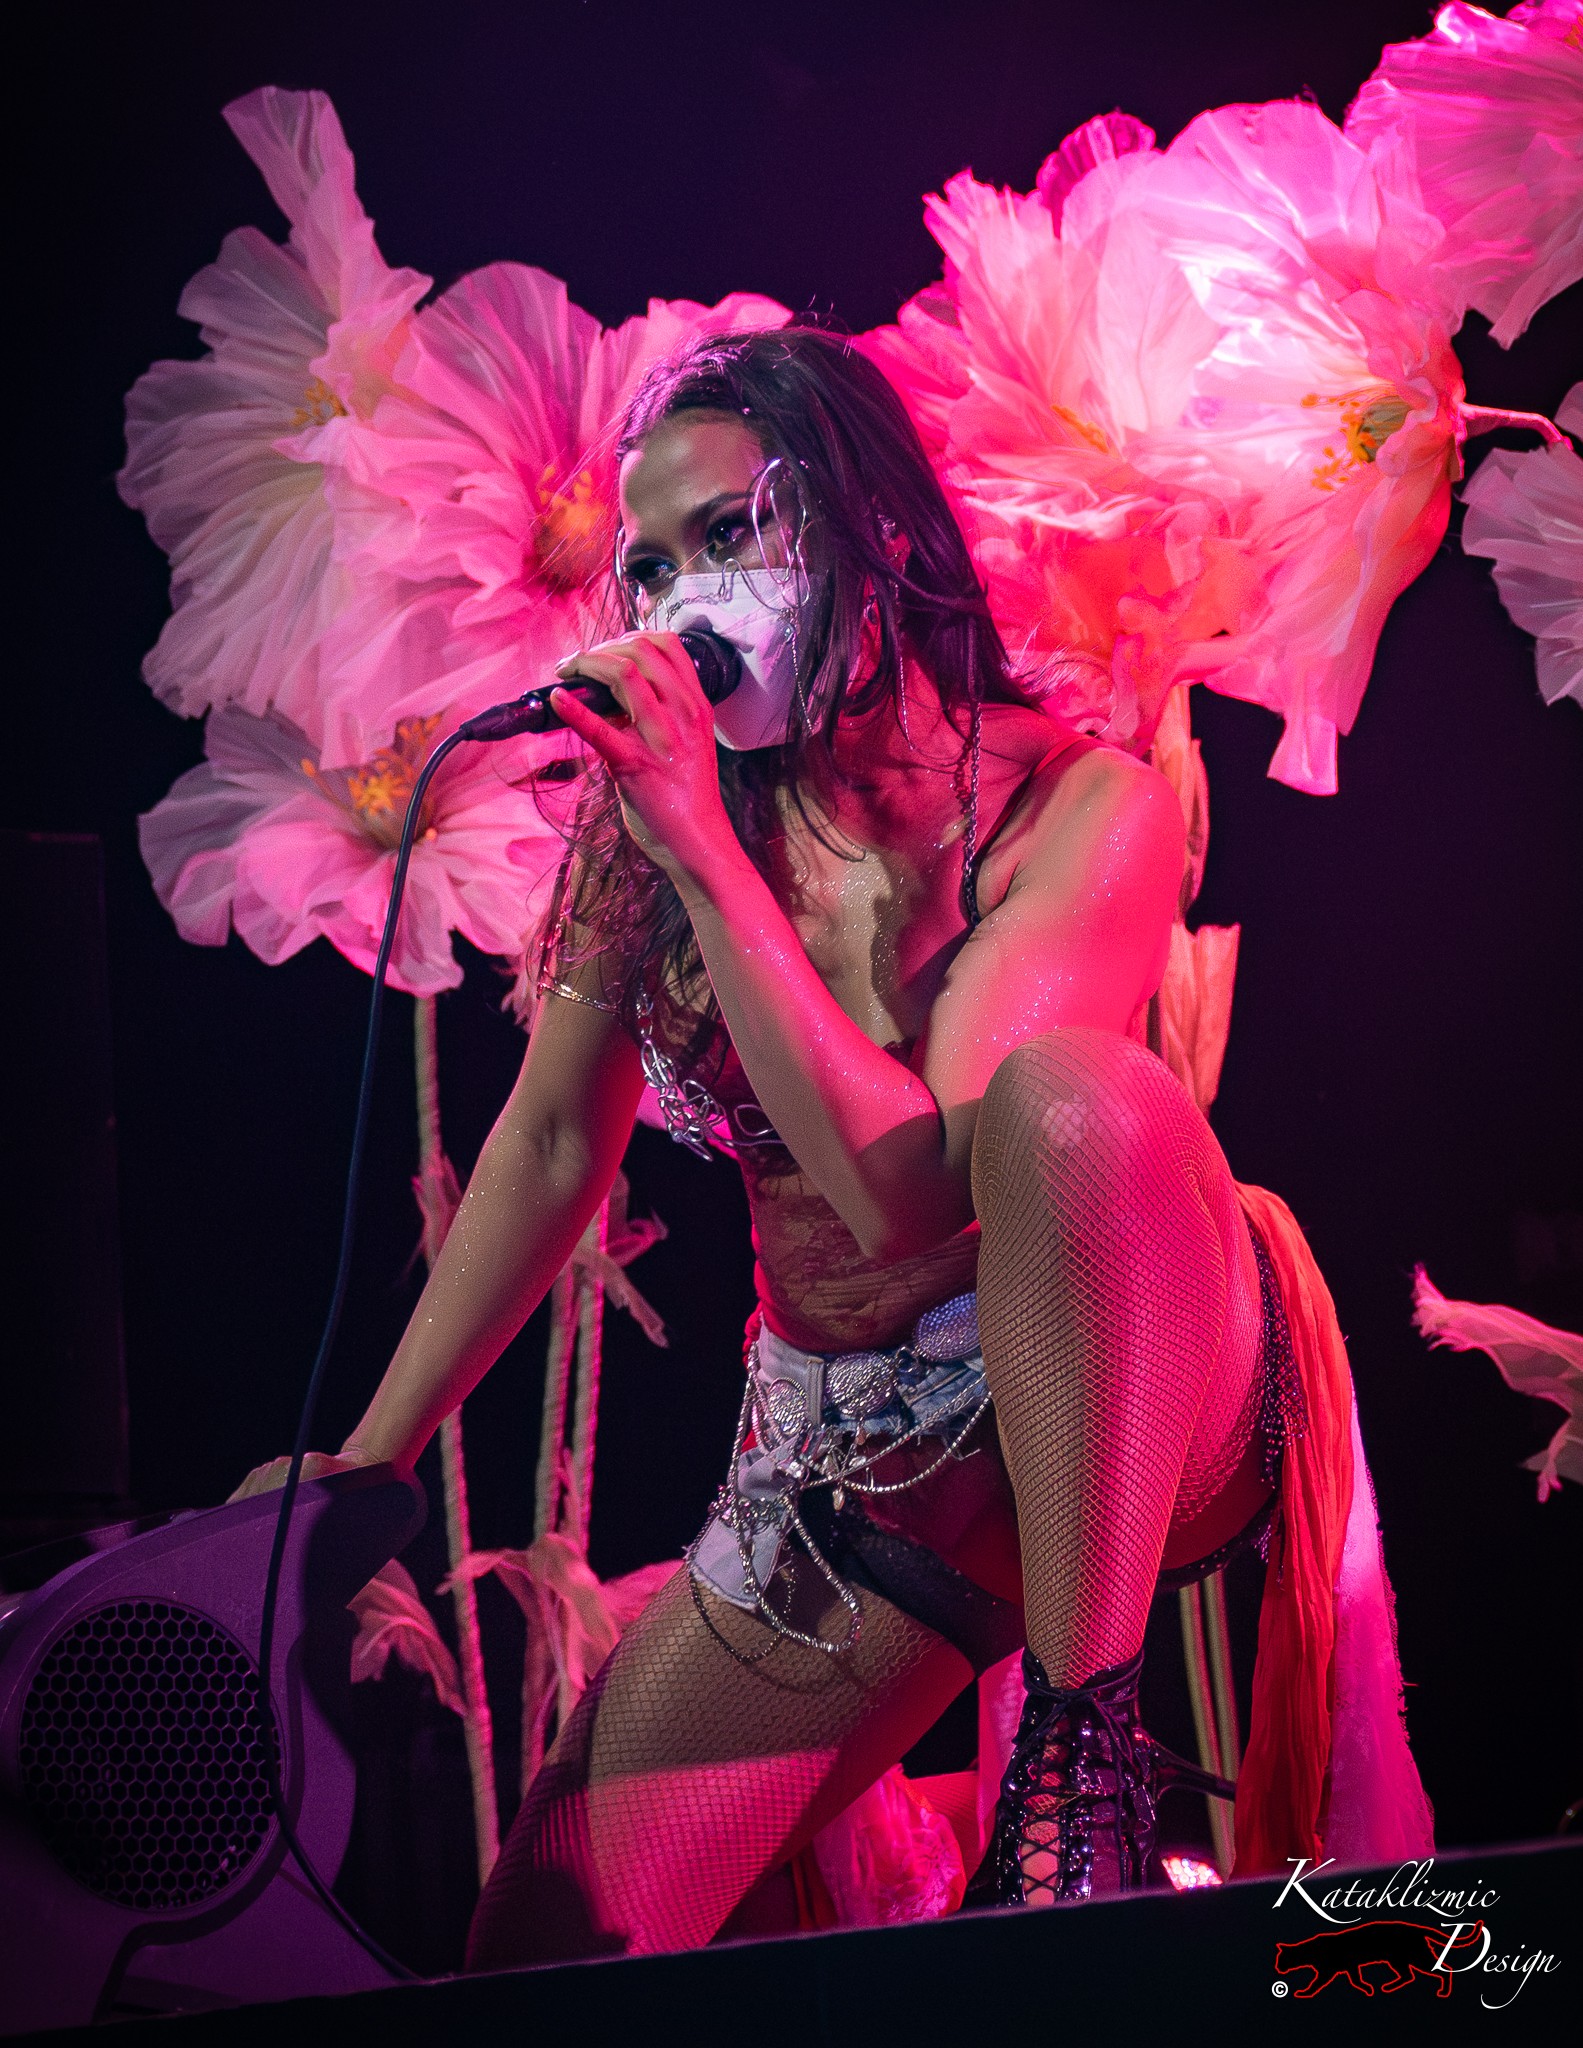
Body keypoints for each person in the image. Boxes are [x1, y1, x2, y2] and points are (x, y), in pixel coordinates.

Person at [235, 324, 1424, 1960]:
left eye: (732, 535)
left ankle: (1084, 1770)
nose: (682, 602)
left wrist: (709, 859)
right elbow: (548, 1149)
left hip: (1125, 1403)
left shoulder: (1077, 804)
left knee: (1067, 1106)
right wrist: (363, 1475)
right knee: (548, 1944)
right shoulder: (656, 826)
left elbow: (907, 1191)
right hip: (855, 1458)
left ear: (869, 524)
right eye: (648, 570)